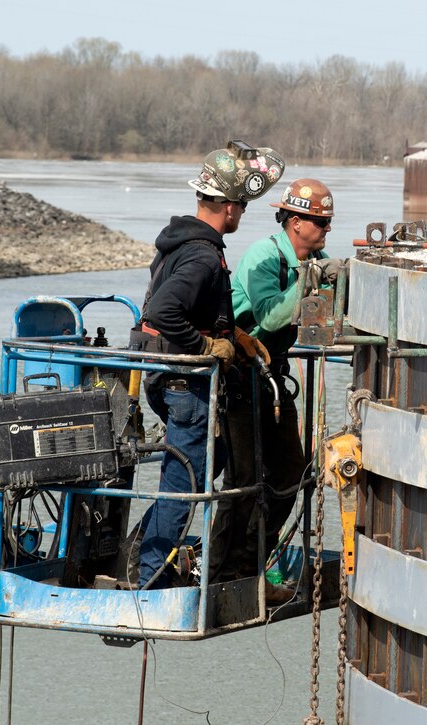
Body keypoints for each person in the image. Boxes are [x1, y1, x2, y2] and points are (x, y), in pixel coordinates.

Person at [132, 144, 282, 590]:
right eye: (243, 207)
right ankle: (147, 581)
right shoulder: (202, 255)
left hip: (164, 376)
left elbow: (183, 308)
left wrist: (234, 336)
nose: (242, 215)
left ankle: (143, 553)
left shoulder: (181, 243)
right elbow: (163, 311)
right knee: (186, 481)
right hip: (183, 380)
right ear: (232, 207)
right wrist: (205, 345)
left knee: (194, 471)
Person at [208, 178, 339, 584]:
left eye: (329, 222)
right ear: (295, 221)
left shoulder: (314, 259)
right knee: (243, 478)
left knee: (291, 473)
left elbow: (326, 317)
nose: (326, 230)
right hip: (239, 376)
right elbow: (269, 317)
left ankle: (251, 563)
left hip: (271, 377)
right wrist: (310, 280)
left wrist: (335, 284)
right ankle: (218, 572)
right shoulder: (264, 257)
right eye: (320, 222)